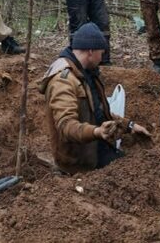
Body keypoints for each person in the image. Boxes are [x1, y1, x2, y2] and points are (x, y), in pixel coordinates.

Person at [39, 23, 151, 174]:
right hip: (80, 160)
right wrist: (97, 132)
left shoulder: (86, 73)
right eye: (101, 52)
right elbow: (66, 126)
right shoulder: (63, 81)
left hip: (95, 148)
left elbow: (97, 112)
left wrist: (129, 126)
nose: (103, 56)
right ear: (91, 52)